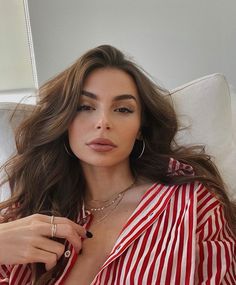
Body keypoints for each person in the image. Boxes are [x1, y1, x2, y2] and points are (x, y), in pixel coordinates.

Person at [0, 44, 235, 285]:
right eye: (85, 107)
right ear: (64, 121)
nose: (103, 122)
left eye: (123, 109)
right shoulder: (28, 209)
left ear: (140, 128)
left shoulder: (192, 204)